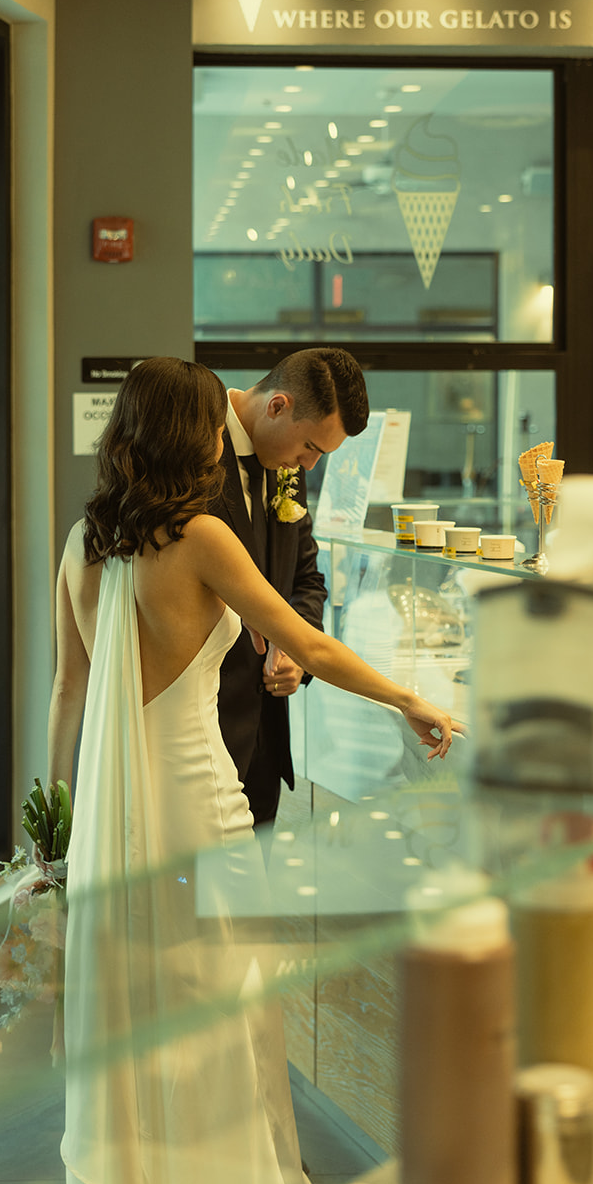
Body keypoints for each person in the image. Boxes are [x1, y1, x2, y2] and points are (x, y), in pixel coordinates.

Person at [47, 357, 456, 1184]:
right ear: (184, 432)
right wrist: (406, 698)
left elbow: (66, 695)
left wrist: (54, 826)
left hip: (112, 814)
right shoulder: (200, 537)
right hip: (196, 799)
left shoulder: (84, 544)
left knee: (131, 1007)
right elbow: (305, 642)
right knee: (218, 1005)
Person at [213, 348, 368, 826]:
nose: (309, 466)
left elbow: (307, 578)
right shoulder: (193, 449)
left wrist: (295, 649)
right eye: (311, 449)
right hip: (204, 729)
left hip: (265, 735)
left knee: (253, 895)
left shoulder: (288, 468)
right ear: (277, 405)